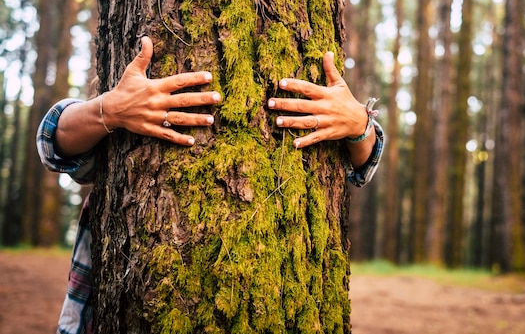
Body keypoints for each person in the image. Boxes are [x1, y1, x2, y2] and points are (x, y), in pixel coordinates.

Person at [38, 36, 384, 334]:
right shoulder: (121, 122)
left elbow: (361, 165)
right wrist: (110, 110)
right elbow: (52, 141)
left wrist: (360, 122)